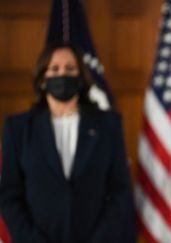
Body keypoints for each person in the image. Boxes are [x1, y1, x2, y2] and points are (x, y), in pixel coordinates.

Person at [0, 42, 136, 242]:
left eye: (70, 68)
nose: (62, 74)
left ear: (81, 77)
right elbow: (10, 197)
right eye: (54, 68)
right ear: (43, 78)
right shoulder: (18, 129)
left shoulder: (108, 125)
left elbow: (119, 191)